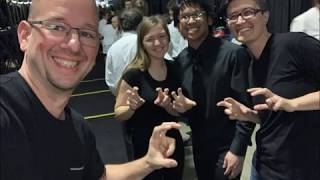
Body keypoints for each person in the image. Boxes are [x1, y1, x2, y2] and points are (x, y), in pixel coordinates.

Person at [0, 0, 183, 179]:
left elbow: (100, 176)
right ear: (25, 35)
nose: (74, 44)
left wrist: (148, 163)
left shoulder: (79, 130)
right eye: (57, 27)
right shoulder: (6, 109)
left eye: (87, 34)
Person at [218, 0, 320, 179]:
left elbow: (287, 106)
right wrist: (248, 115)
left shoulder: (295, 44)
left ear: (265, 15)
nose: (240, 21)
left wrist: (293, 103)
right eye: (233, 16)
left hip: (303, 168)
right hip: (264, 166)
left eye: (248, 12)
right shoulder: (248, 64)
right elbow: (273, 118)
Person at [172, 0, 255, 179]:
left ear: (209, 19)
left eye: (196, 15)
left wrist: (238, 150)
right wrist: (180, 109)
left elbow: (245, 106)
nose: (190, 21)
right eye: (184, 17)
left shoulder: (233, 54)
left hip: (227, 146)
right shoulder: (180, 61)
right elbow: (188, 110)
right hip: (199, 146)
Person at [114, 15, 184, 180]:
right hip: (144, 147)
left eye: (162, 37)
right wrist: (131, 107)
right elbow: (118, 113)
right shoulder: (134, 74)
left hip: (172, 143)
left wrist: (169, 107)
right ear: (142, 44)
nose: (158, 43)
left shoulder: (176, 69)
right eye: (150, 39)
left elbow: (179, 113)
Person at [105, 8, 143, 95]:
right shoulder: (144, 43)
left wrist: (119, 94)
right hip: (146, 97)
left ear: (120, 25)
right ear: (141, 25)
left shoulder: (113, 48)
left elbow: (110, 80)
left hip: (122, 97)